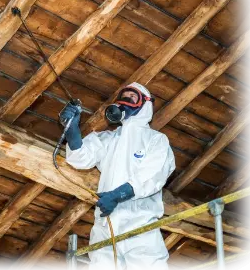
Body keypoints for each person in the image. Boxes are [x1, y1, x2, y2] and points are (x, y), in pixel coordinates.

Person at [60, 82, 175, 270]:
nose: (125, 102)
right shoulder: (108, 139)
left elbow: (152, 176)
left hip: (140, 224)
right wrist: (72, 129)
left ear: (145, 104)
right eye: (123, 97)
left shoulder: (155, 140)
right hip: (105, 226)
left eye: (132, 98)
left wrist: (117, 195)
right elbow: (81, 157)